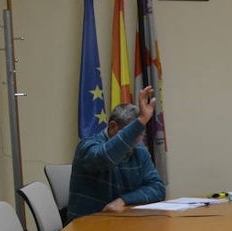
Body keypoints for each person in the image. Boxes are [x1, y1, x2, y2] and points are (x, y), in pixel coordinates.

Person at [67, 86, 166, 221]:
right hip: (88, 227)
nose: (137, 141)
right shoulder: (87, 147)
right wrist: (141, 121)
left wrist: (123, 200)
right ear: (113, 126)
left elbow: (157, 188)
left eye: (140, 134)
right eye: (132, 134)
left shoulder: (139, 150)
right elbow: (106, 158)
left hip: (123, 225)